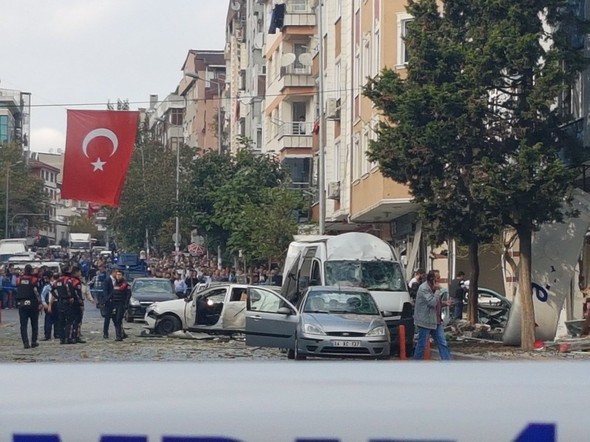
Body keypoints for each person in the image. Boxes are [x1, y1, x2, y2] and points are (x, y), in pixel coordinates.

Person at [413, 270, 452, 361]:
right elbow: (432, 303)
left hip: (436, 320)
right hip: (425, 321)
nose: (439, 280)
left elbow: (436, 303)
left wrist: (445, 303)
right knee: (422, 344)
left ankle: (447, 362)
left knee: (442, 342)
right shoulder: (424, 288)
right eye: (437, 278)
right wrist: (438, 290)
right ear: (431, 279)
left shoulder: (434, 288)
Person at [15, 264, 43, 349]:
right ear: (31, 271)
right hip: (33, 303)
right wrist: (40, 303)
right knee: (34, 323)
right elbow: (36, 292)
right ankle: (34, 341)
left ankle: (25, 343)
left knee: (23, 325)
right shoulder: (34, 280)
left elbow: (18, 288)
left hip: (22, 303)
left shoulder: (19, 279)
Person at [112, 270, 131, 341]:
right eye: (117, 275)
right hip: (114, 304)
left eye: (119, 275)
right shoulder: (115, 284)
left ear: (122, 276)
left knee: (118, 320)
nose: (118, 276)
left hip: (121, 304)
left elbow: (128, 296)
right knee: (115, 320)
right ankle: (122, 333)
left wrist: (126, 305)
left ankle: (118, 336)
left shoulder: (125, 285)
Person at [40, 271, 58, 341]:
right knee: (48, 320)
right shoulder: (47, 286)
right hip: (49, 304)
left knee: (57, 319)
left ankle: (57, 333)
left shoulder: (57, 284)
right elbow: (42, 295)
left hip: (57, 303)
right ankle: (47, 335)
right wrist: (44, 304)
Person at [101, 268, 117, 339]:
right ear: (113, 273)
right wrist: (107, 299)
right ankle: (105, 332)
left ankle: (119, 332)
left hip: (116, 302)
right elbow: (105, 292)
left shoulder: (117, 281)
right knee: (107, 318)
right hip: (109, 302)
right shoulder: (107, 281)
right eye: (116, 273)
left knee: (117, 318)